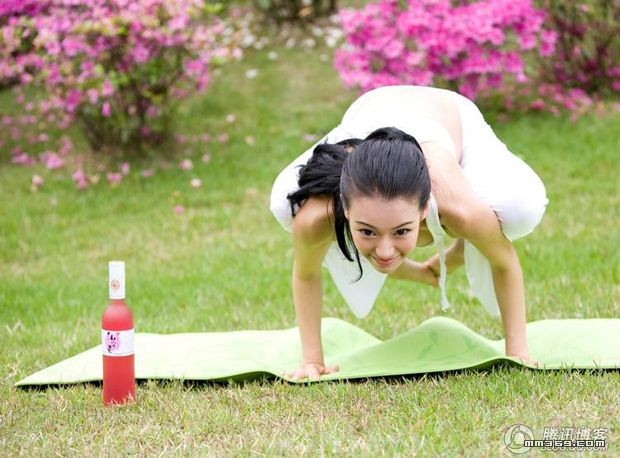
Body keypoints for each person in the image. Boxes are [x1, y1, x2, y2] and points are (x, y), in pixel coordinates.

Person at [269, 85, 548, 380]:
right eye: (367, 231)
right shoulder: (316, 219)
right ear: (346, 209)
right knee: (282, 204)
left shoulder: (460, 210)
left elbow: (504, 261)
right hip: (372, 109)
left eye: (402, 231)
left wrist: (517, 353)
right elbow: (305, 274)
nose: (386, 250)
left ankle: (468, 238)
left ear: (425, 209)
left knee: (521, 211)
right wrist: (312, 360)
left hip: (445, 112)